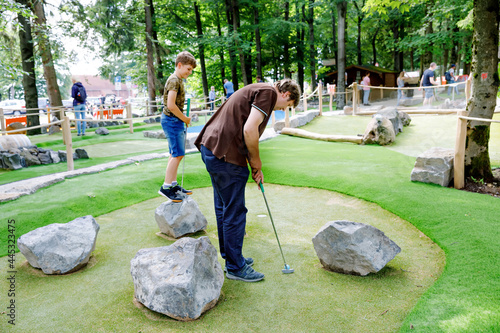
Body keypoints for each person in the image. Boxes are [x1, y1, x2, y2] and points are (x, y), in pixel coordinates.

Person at [195, 78, 301, 282]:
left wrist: (251, 164)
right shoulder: (268, 93)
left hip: (212, 149)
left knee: (224, 207)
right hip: (224, 155)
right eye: (287, 106)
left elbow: (242, 128)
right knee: (234, 210)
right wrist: (256, 162)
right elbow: (249, 130)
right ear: (287, 95)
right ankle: (235, 266)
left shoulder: (257, 89)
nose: (282, 109)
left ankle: (231, 257)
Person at [158, 51, 197, 202]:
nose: (190, 72)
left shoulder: (179, 80)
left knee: (175, 153)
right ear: (179, 65)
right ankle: (166, 187)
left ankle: (173, 185)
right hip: (172, 120)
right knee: (178, 154)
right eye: (188, 69)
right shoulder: (174, 80)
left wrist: (183, 119)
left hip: (175, 120)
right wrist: (185, 119)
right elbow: (171, 105)